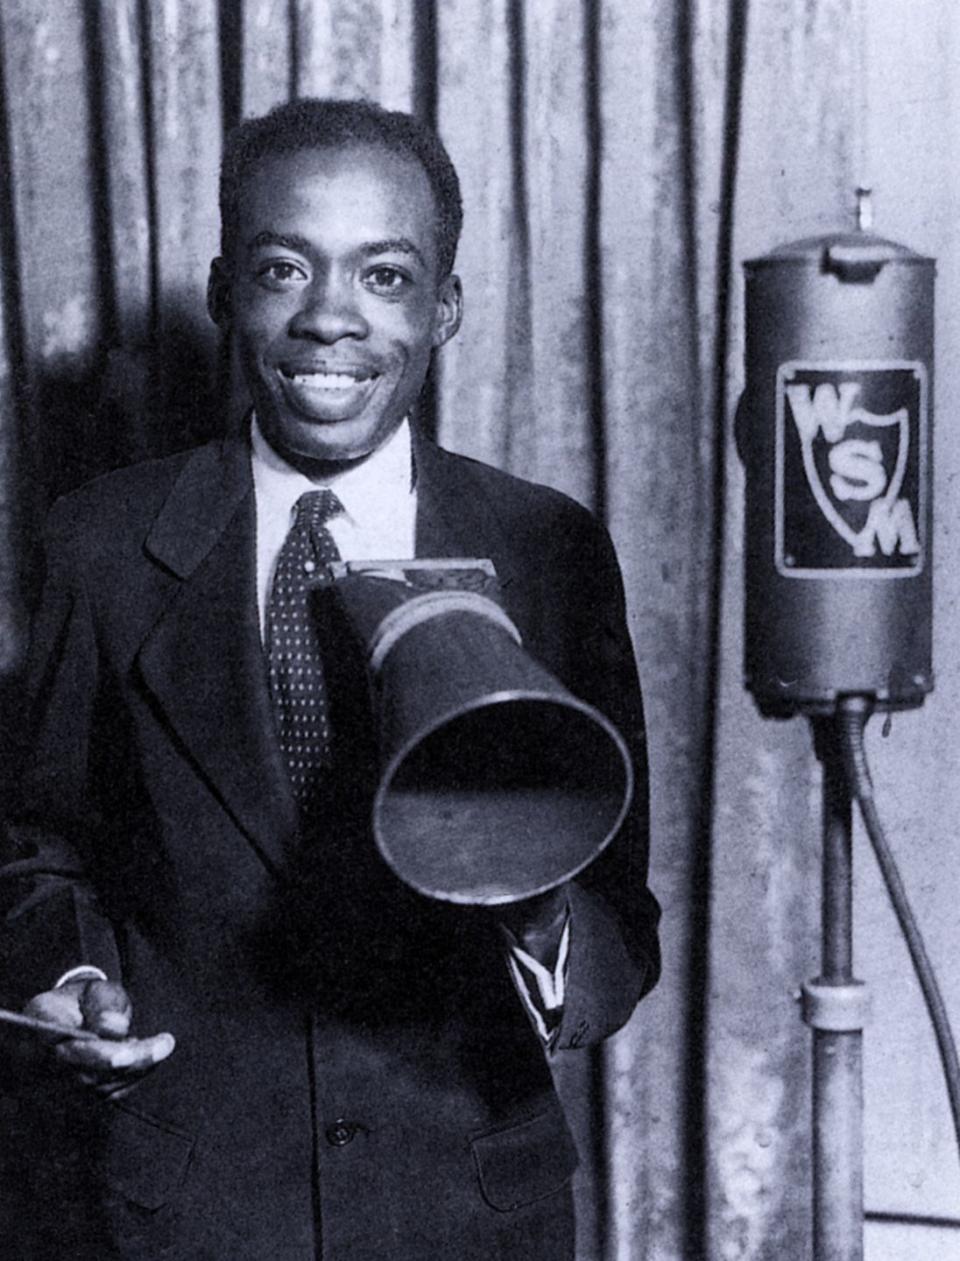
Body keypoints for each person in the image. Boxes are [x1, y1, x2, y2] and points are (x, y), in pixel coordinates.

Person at [0, 98, 660, 1260]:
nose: (330, 319)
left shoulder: (547, 547)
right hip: (183, 1215)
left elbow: (618, 913)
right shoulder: (100, 543)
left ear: (445, 309)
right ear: (223, 293)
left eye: (387, 277)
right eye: (284, 267)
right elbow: (36, 843)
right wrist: (72, 975)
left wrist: (539, 912)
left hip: (470, 1214)